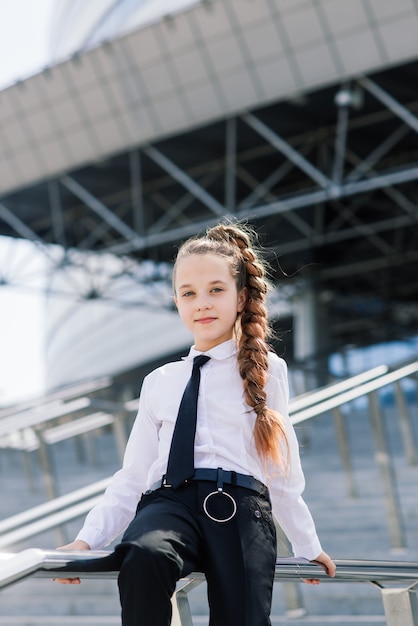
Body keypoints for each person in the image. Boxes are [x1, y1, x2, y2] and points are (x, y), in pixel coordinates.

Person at [55, 221, 336, 625]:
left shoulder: (266, 369)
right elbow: (133, 476)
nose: (202, 302)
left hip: (241, 510)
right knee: (144, 553)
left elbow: (282, 469)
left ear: (240, 298)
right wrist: (86, 541)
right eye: (189, 293)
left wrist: (307, 542)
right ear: (177, 302)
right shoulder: (159, 382)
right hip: (169, 504)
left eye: (216, 290)